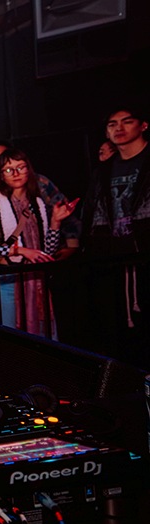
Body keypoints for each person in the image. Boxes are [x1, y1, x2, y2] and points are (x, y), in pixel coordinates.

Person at [0, 148, 76, 337]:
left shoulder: (37, 202)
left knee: (43, 337)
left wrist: (55, 222)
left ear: (29, 170)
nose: (16, 174)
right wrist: (17, 251)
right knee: (10, 339)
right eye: (9, 170)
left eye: (21, 167)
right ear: (0, 175)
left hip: (36, 281)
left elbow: (46, 252)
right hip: (6, 281)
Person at [82, 105, 150, 367]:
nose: (119, 128)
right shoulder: (103, 171)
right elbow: (92, 215)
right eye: (112, 124)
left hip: (144, 254)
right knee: (119, 336)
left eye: (126, 121)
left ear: (143, 125)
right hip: (113, 261)